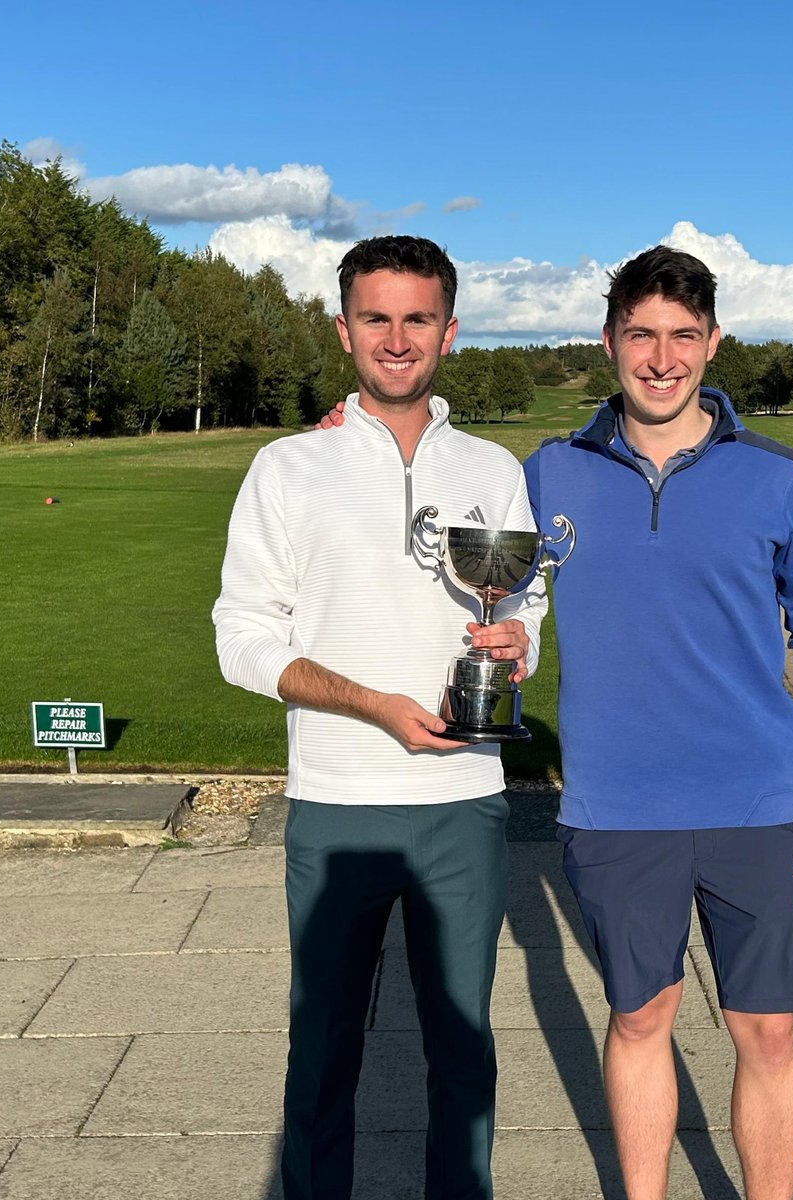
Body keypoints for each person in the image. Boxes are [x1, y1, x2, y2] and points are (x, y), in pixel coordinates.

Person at [321, 244, 793, 1200]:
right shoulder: (550, 472)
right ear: (609, 339)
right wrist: (351, 422)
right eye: (641, 334)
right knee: (641, 1019)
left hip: (758, 803)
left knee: (767, 1030)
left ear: (712, 342)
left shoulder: (779, 476)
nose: (661, 358)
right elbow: (476, 545)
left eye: (682, 336)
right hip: (616, 809)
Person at [213, 234, 547, 1200]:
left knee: (463, 1053)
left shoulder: (489, 468)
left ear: (449, 329)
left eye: (417, 318)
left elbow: (522, 600)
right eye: (375, 317)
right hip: (337, 801)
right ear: (343, 326)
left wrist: (517, 639)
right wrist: (371, 705)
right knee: (319, 1059)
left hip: (463, 800)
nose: (396, 339)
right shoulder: (288, 467)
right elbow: (241, 638)